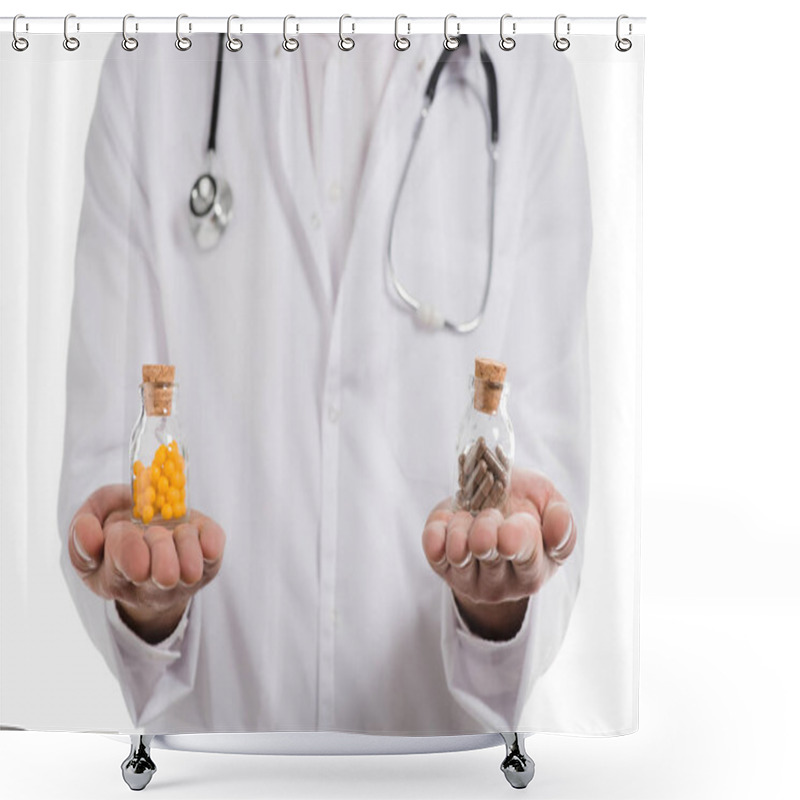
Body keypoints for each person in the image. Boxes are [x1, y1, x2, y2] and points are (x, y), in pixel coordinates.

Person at [58, 31, 591, 736]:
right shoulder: (152, 61)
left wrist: (498, 610)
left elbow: (552, 481)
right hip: (220, 769)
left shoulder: (527, 65)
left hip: (439, 772)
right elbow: (104, 466)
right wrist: (145, 607)